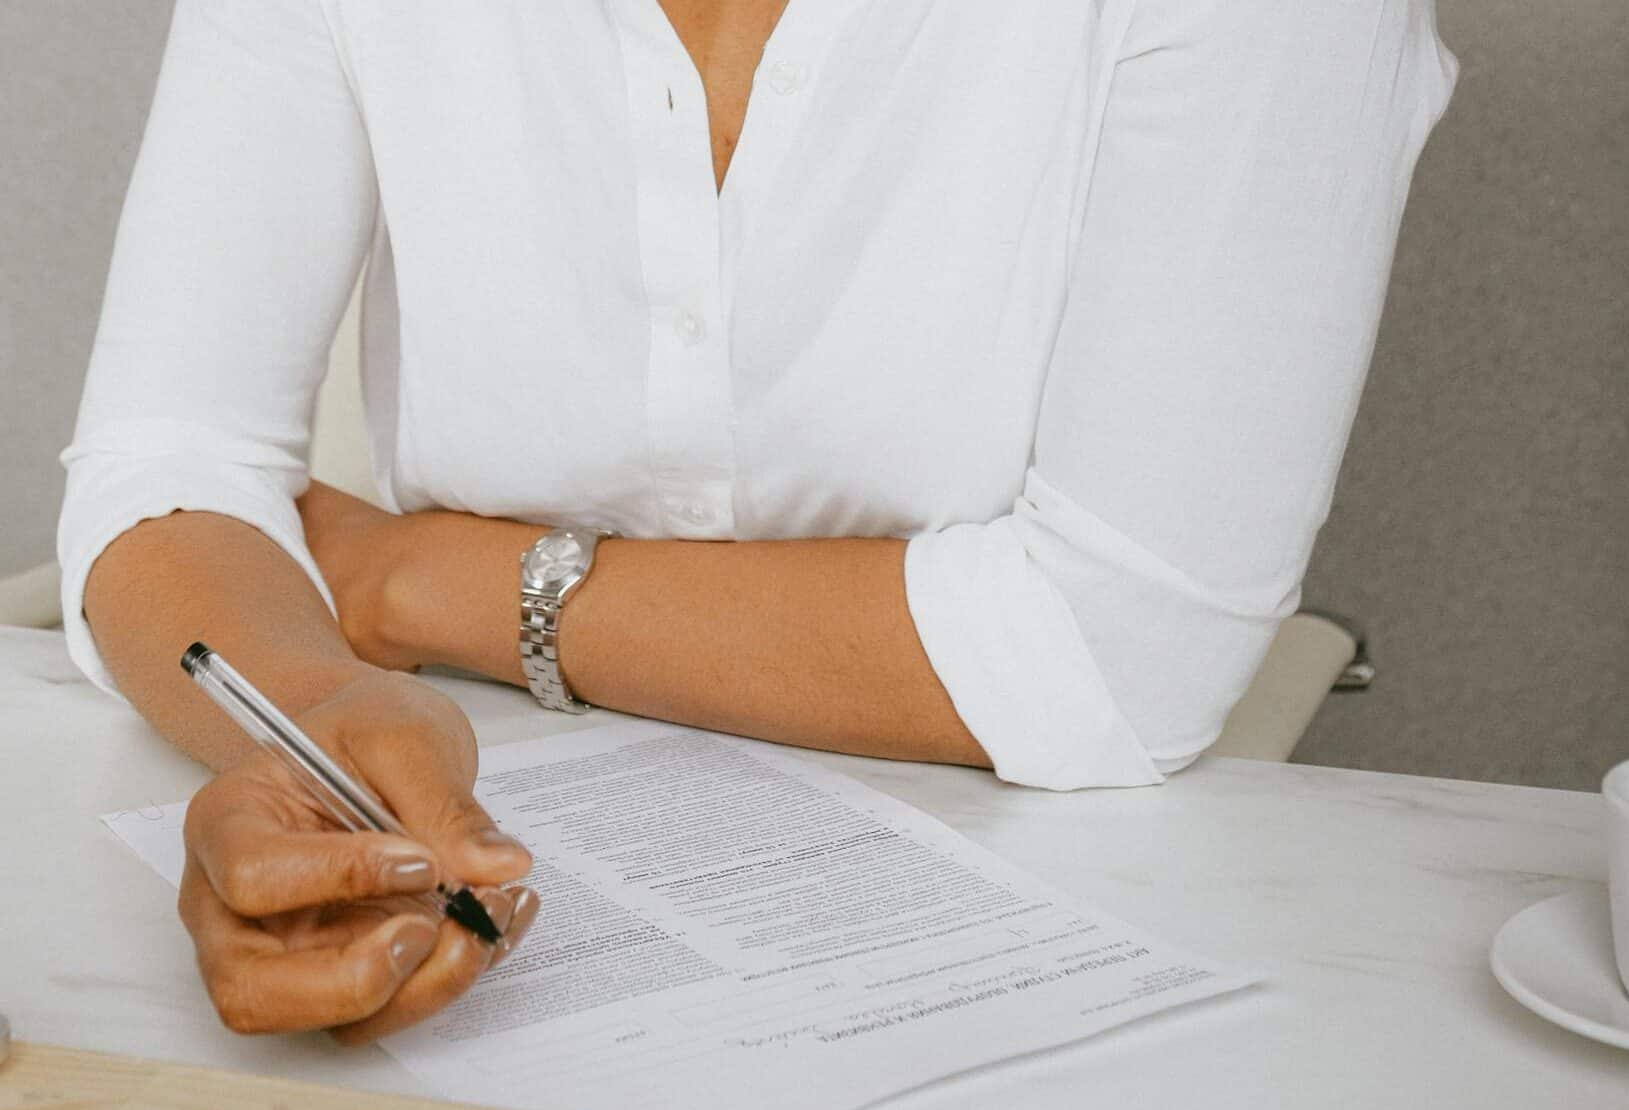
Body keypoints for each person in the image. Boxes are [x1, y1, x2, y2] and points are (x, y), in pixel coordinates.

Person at [58, 0, 1457, 1043]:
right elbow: (169, 457)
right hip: (493, 837)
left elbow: (1119, 648)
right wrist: (316, 727)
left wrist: (415, 581)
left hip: (1048, 924)